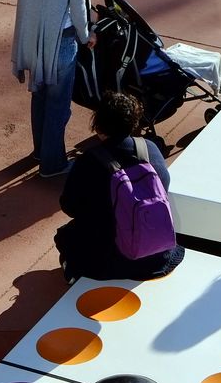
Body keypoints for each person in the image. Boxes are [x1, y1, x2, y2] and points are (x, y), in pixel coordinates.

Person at [55, 91, 185, 282]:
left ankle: (74, 271)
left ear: (98, 124)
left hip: (112, 259)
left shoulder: (89, 161)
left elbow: (69, 206)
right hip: (156, 252)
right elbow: (164, 183)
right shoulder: (150, 148)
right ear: (134, 121)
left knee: (66, 236)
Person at [11, 0, 97, 178]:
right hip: (62, 40)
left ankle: (40, 151)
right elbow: (79, 8)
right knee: (58, 105)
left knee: (40, 97)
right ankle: (52, 164)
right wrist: (86, 35)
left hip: (35, 39)